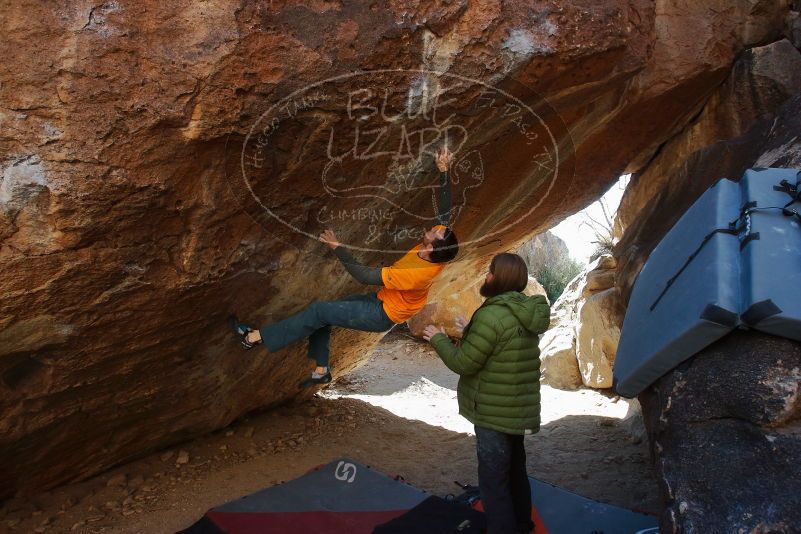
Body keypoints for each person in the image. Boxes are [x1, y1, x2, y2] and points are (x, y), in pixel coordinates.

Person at [230, 146, 459, 388]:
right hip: (382, 299)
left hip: (382, 314)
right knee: (325, 314)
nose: (431, 229)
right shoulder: (440, 250)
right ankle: (321, 370)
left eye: (432, 234)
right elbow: (445, 215)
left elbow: (362, 275)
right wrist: (444, 171)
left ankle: (253, 338)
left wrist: (336, 246)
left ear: (432, 248)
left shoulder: (415, 275)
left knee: (319, 311)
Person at [422, 253, 550, 534]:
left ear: (500, 277)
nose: (486, 276)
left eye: (490, 272)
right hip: (516, 409)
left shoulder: (492, 313)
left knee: (494, 482)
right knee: (515, 472)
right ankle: (523, 525)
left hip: (493, 412)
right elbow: (506, 345)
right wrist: (470, 330)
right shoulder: (526, 311)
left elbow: (464, 363)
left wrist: (438, 338)